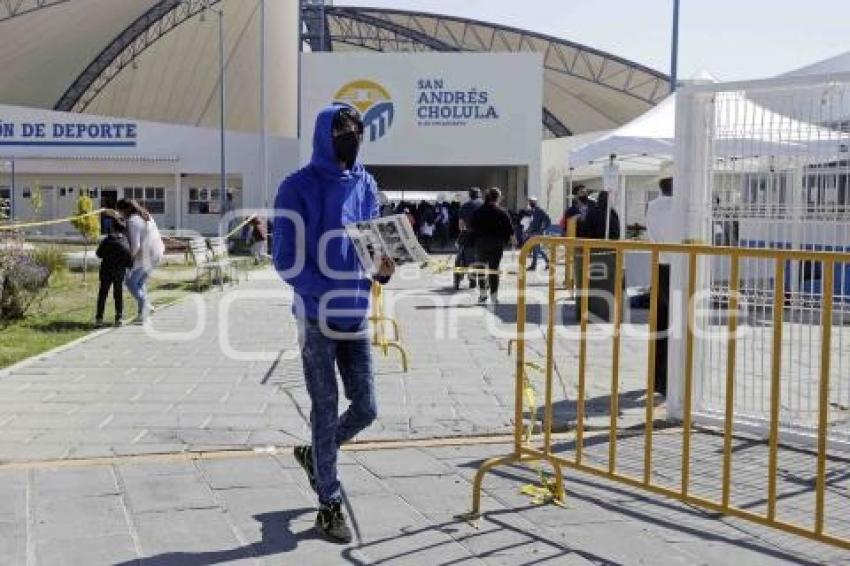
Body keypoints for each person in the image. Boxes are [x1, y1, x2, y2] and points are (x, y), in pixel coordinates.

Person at [272, 104, 395, 544]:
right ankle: (329, 502)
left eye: (357, 131)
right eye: (343, 131)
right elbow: (284, 260)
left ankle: (316, 455)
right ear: (325, 135)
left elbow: (372, 240)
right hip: (316, 316)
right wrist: (321, 291)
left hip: (356, 312)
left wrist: (382, 268)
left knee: (367, 407)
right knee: (324, 407)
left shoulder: (367, 182)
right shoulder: (296, 187)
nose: (352, 137)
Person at [645, 176, 675, 397]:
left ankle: (657, 379)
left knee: (660, 325)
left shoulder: (652, 207)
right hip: (678, 267)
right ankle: (671, 378)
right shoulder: (679, 208)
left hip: (659, 266)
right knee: (678, 325)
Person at [116, 198, 164, 324]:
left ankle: (146, 305)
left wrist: (130, 260)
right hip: (158, 252)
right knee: (140, 282)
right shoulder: (146, 216)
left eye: (119, 211)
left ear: (124, 210)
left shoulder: (133, 221)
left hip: (147, 255)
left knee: (130, 283)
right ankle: (143, 314)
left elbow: (136, 245)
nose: (119, 214)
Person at [469, 187, 514, 304]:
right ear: (498, 198)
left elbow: (470, 227)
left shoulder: (478, 212)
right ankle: (494, 296)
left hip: (481, 244)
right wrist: (513, 242)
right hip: (497, 245)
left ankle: (483, 295)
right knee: (494, 270)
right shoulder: (502, 212)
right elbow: (510, 230)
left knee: (481, 269)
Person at [94, 213, 132, 328]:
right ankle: (119, 317)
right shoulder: (125, 241)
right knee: (118, 294)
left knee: (103, 294)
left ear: (113, 227)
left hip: (106, 271)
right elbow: (128, 258)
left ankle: (99, 318)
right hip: (119, 272)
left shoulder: (107, 240)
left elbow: (98, 254)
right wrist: (127, 265)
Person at [454, 187, 483, 290]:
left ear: (470, 195)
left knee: (464, 258)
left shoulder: (465, 206)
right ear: (479, 194)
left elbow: (461, 225)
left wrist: (463, 232)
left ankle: (471, 281)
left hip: (469, 236)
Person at [525, 196, 551, 270]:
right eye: (530, 202)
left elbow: (548, 221)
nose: (530, 203)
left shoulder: (540, 211)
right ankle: (534, 265)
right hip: (533, 232)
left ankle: (547, 262)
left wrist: (542, 229)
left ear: (535, 202)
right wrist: (528, 231)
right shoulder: (532, 211)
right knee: (535, 249)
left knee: (537, 249)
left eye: (532, 202)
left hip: (538, 233)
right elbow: (532, 223)